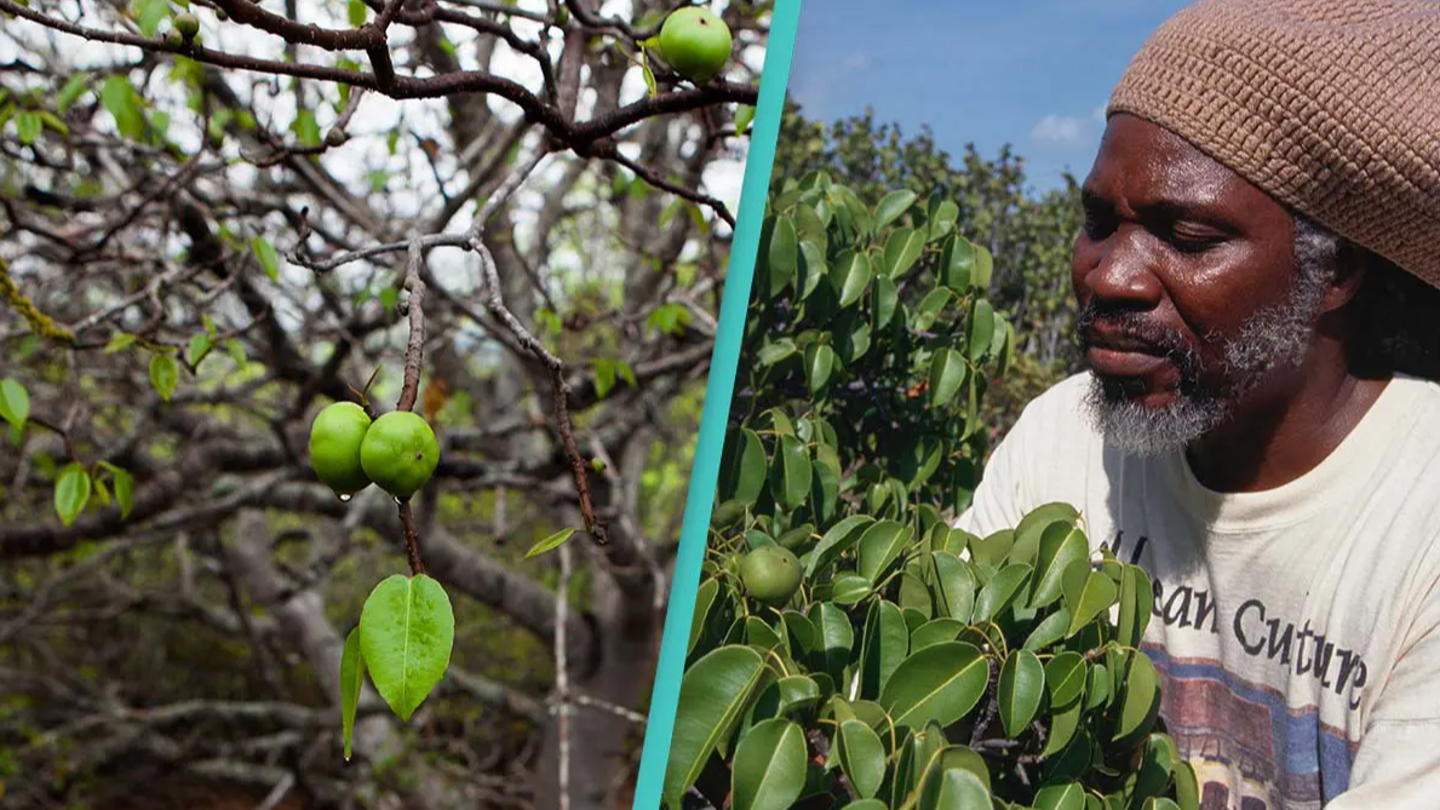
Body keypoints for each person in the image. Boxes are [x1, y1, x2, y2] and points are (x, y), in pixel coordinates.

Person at [954, 0, 1440, 808]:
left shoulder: (1421, 521)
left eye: (1186, 237)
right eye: (1099, 222)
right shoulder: (1062, 438)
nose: (1112, 276)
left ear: (1337, 272)